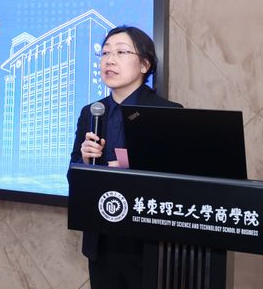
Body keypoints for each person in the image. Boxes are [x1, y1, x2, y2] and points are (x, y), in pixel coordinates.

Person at [69, 25, 182, 289]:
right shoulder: (91, 112)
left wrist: (129, 166)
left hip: (148, 244)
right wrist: (84, 163)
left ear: (144, 64)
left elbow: (177, 184)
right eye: (105, 53)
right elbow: (72, 177)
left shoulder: (167, 113)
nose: (109, 60)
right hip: (102, 241)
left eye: (121, 52)